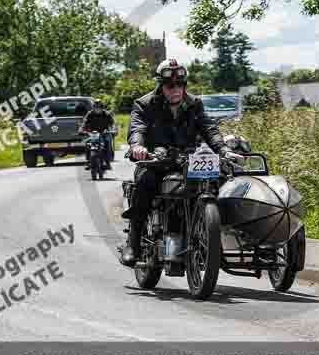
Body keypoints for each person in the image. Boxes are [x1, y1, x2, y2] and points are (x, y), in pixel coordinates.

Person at [120, 58, 243, 267]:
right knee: (146, 182)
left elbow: (209, 129)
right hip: (155, 161)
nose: (175, 89)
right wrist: (138, 147)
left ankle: (216, 234)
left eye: (180, 84)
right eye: (170, 85)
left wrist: (224, 150)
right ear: (161, 85)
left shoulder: (194, 104)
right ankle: (133, 242)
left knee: (220, 179)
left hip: (188, 160)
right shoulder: (145, 104)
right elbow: (137, 129)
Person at [80, 99, 115, 170]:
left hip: (104, 132)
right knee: (87, 143)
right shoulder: (90, 114)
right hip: (93, 133)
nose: (98, 109)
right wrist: (81, 129)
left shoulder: (106, 114)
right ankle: (88, 161)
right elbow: (84, 122)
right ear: (93, 108)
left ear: (102, 108)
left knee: (107, 142)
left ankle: (107, 162)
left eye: (99, 107)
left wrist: (112, 130)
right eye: (96, 107)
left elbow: (112, 124)